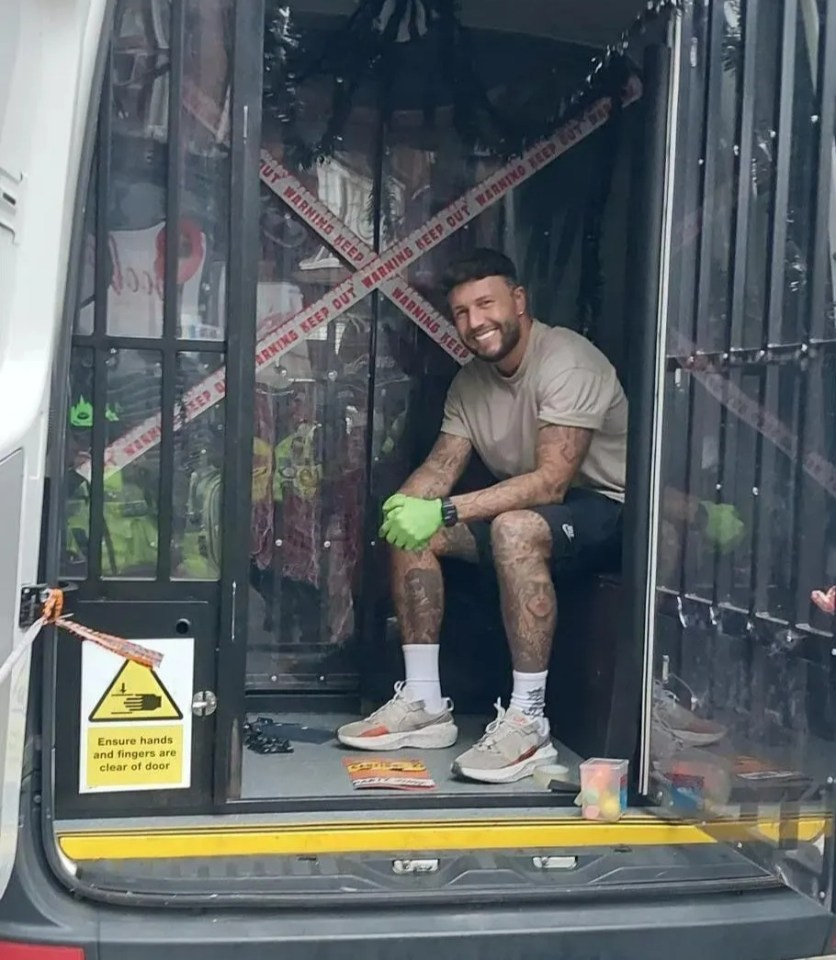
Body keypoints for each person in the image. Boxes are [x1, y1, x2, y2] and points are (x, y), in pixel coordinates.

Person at [337, 248, 628, 783]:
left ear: (518, 301)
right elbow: (441, 467)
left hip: (606, 509)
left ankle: (528, 723)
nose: (475, 323)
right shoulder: (471, 382)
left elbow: (551, 481)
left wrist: (443, 510)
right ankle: (424, 704)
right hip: (533, 509)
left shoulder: (567, 359)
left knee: (510, 527)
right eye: (462, 313)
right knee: (414, 528)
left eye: (486, 304)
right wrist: (404, 507)